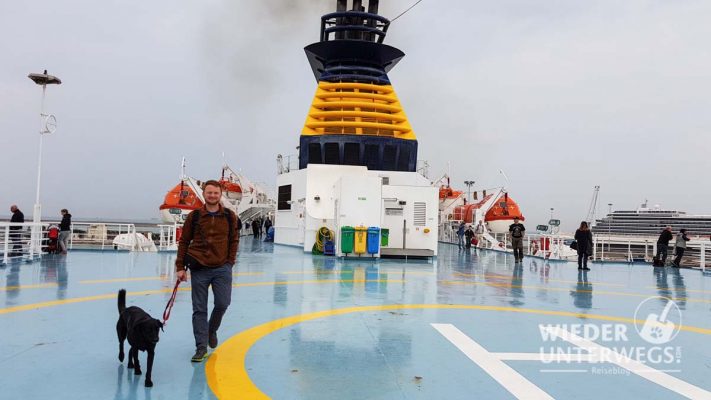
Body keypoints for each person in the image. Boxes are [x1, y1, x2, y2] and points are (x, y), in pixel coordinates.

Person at [175, 180, 239, 362]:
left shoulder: (229, 216)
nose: (212, 196)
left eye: (215, 193)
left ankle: (211, 329)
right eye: (209, 193)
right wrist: (180, 267)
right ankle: (201, 347)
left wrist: (230, 262)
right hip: (199, 268)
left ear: (220, 195)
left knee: (222, 303)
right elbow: (184, 242)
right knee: (199, 309)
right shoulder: (194, 216)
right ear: (204, 194)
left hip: (222, 268)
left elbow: (234, 240)